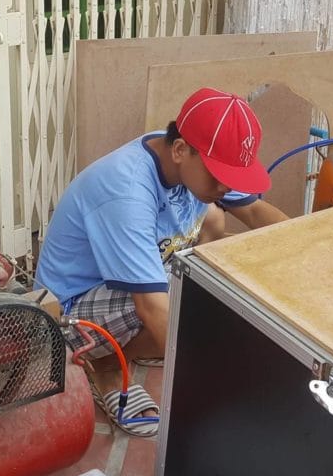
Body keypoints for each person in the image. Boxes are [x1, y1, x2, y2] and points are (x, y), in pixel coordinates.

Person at [33, 87, 288, 435]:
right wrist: (214, 394)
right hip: (67, 315)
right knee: (189, 296)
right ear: (181, 150)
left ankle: (144, 346)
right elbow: (153, 306)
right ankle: (106, 366)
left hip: (135, 286)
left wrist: (308, 249)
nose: (225, 187)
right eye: (218, 175)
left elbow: (256, 212)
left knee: (213, 221)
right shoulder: (127, 190)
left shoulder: (181, 155)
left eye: (232, 178)